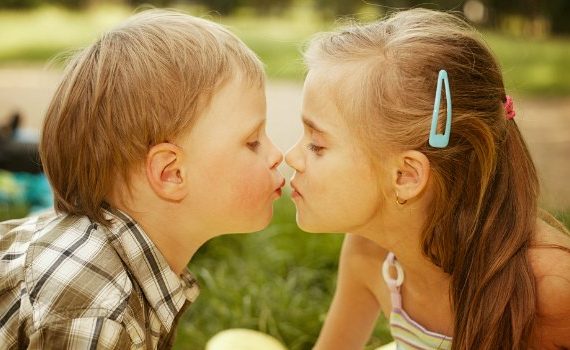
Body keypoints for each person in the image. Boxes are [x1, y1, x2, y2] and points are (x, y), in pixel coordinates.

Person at [285, 8, 570, 349]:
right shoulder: (367, 252)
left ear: (406, 175)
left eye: (316, 144)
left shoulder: (550, 289)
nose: (291, 157)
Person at [0, 9, 284, 349]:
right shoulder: (96, 308)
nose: (278, 155)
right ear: (171, 173)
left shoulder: (123, 273)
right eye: (253, 141)